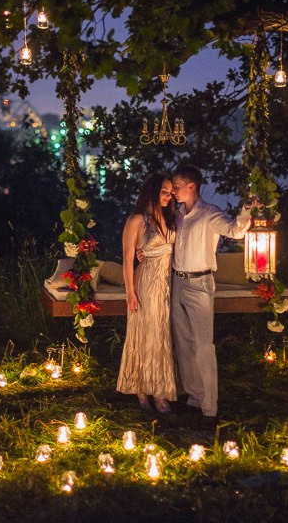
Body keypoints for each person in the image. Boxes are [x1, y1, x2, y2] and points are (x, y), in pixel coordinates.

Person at [169, 164, 255, 425]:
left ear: (191, 186)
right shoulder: (177, 215)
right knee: (183, 342)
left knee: (204, 345)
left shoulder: (209, 214)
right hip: (177, 282)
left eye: (176, 186)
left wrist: (246, 210)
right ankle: (194, 397)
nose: (173, 191)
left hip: (200, 282)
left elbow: (235, 231)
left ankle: (210, 406)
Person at [116, 171, 177, 413]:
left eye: (171, 193)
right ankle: (142, 391)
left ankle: (160, 390)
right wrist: (130, 292)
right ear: (152, 191)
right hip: (144, 284)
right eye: (164, 192)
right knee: (143, 336)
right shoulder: (136, 221)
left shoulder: (168, 219)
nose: (169, 196)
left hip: (165, 285)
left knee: (161, 337)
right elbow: (128, 258)